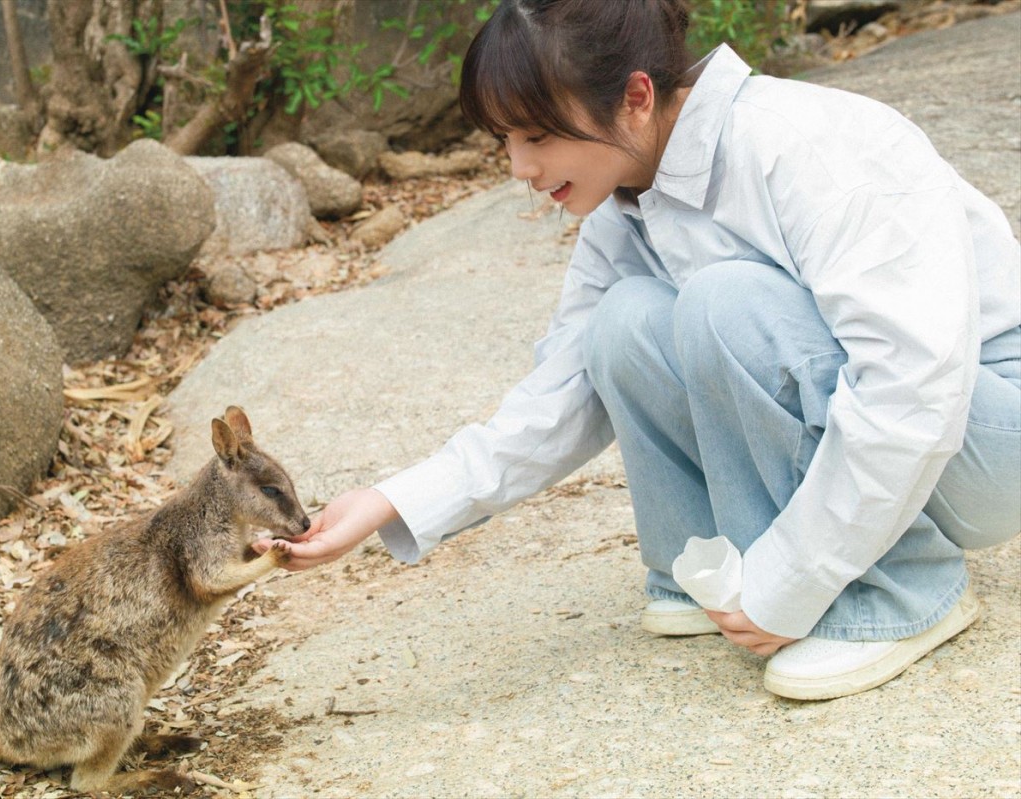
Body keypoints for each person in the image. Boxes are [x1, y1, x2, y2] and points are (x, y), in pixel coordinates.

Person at [254, 0, 1021, 700]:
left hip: (984, 431)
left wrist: (794, 579)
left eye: (538, 135)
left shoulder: (806, 148)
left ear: (637, 95)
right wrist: (393, 500)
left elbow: (912, 389)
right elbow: (563, 393)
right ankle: (709, 570)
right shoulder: (628, 204)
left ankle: (899, 592)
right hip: (922, 421)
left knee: (726, 302)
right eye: (506, 141)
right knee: (622, 322)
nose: (520, 170)